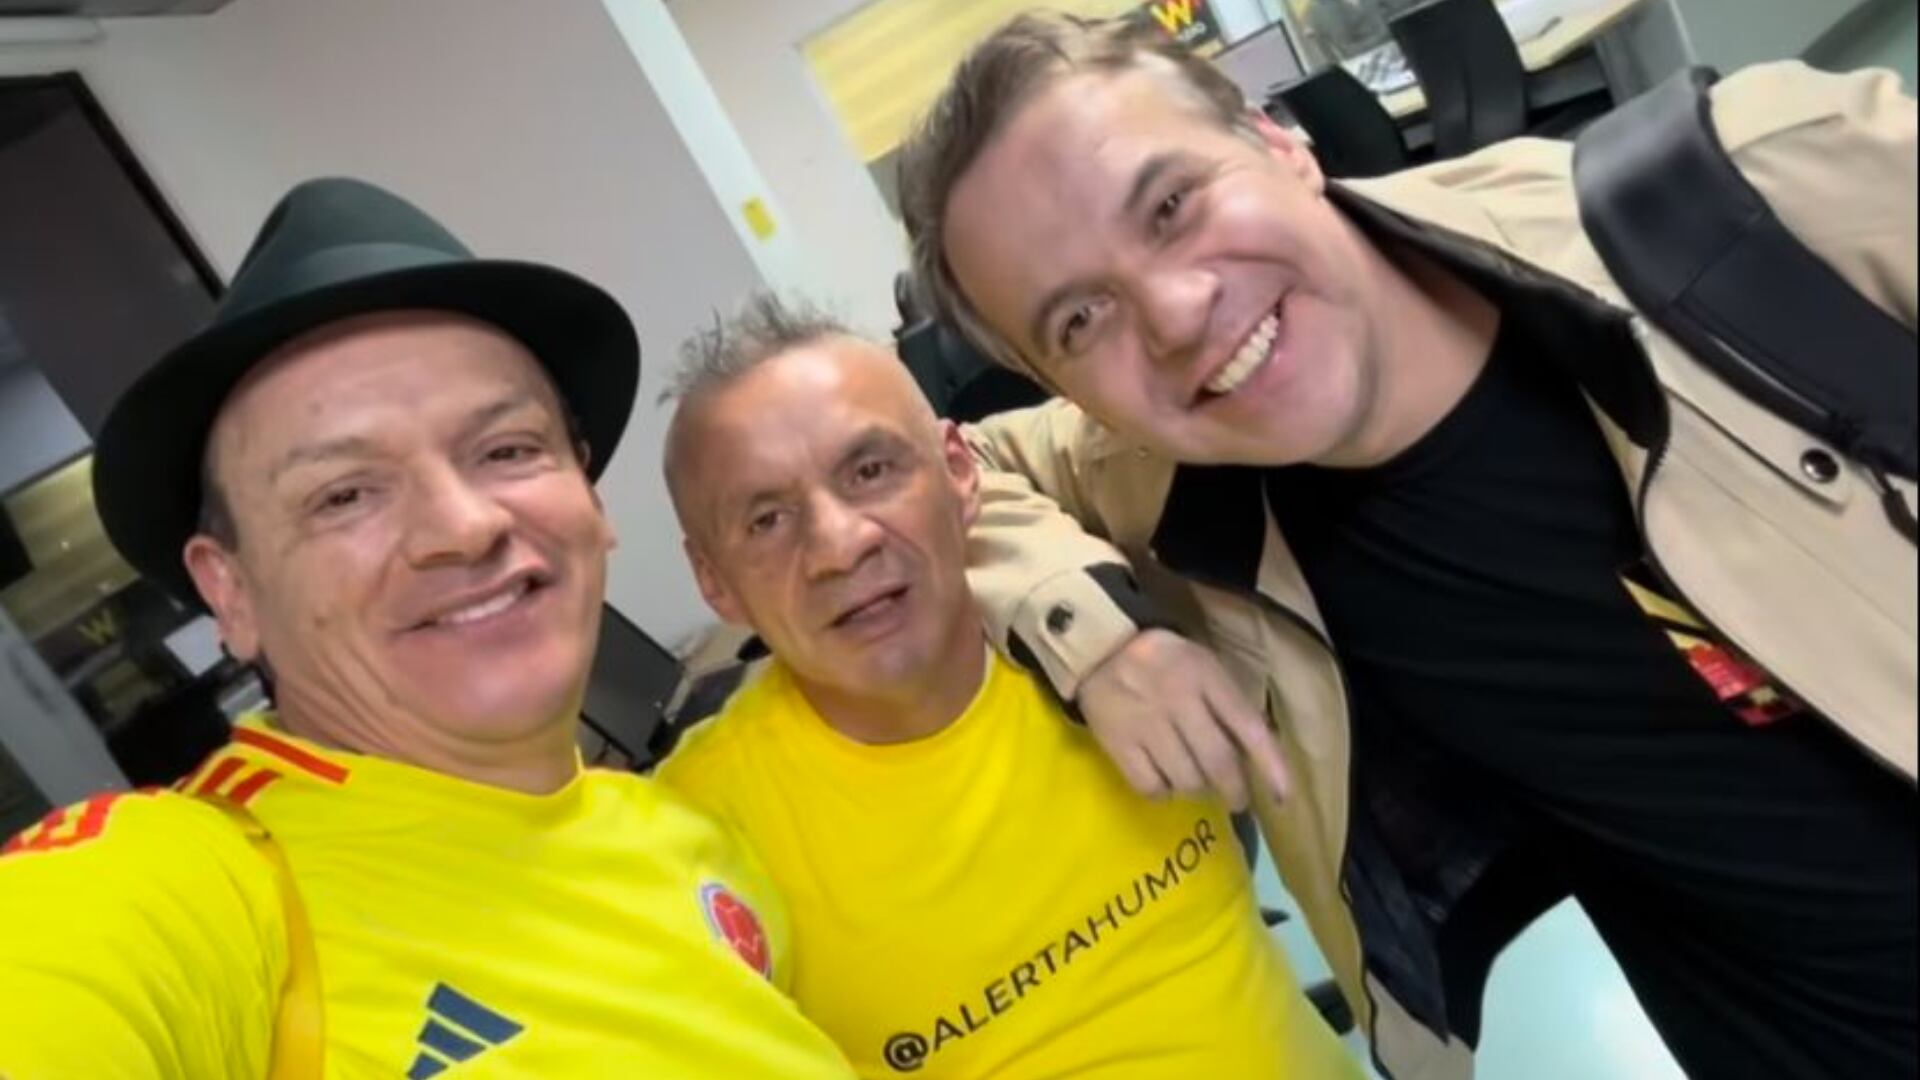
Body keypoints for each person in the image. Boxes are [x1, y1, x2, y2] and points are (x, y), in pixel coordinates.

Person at [894, 13, 1917, 1080]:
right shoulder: (1176, 486)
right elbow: (956, 470)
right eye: (1079, 321)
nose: (1177, 312)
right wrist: (1105, 638)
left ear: (1277, 142)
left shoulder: (1763, 191)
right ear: (1065, 388)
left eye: (1170, 206)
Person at [0, 178, 854, 1079]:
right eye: (344, 495)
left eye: (507, 449)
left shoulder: (690, 839)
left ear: (589, 496)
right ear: (232, 593)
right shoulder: (195, 892)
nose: (465, 525)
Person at [650, 294, 1359, 1079]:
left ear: (960, 471)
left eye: (870, 471)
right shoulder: (692, 841)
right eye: (767, 520)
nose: (839, 546)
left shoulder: (1141, 602)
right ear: (713, 580)